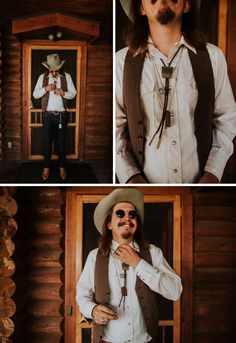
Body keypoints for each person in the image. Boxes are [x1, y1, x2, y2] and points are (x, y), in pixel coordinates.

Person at [116, 0, 236, 184]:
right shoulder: (121, 62)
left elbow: (226, 119)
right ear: (141, 7)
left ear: (187, 5)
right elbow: (115, 127)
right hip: (145, 188)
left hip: (199, 188)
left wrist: (213, 172)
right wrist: (131, 177)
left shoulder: (213, 57)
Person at [76, 188, 182, 343]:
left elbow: (175, 292)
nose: (127, 218)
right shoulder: (95, 256)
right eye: (120, 213)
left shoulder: (153, 253)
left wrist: (138, 263)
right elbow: (82, 295)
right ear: (109, 224)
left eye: (132, 214)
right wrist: (93, 310)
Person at [33, 53, 76, 181]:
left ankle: (62, 167)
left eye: (56, 69)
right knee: (47, 142)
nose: (54, 71)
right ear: (48, 68)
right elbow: (35, 95)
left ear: (60, 67)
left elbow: (73, 93)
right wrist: (45, 89)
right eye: (52, 69)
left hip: (62, 115)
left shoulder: (67, 77)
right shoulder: (42, 77)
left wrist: (63, 93)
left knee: (61, 142)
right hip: (47, 115)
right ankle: (46, 167)